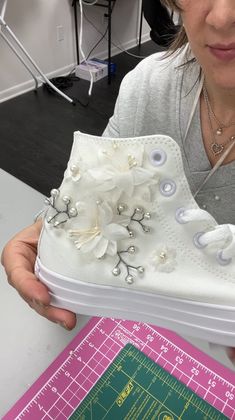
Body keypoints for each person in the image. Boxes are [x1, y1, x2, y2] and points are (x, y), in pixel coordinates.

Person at [1, 0, 235, 361]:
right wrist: (52, 229)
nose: (221, 17)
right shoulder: (149, 84)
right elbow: (96, 184)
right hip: (146, 339)